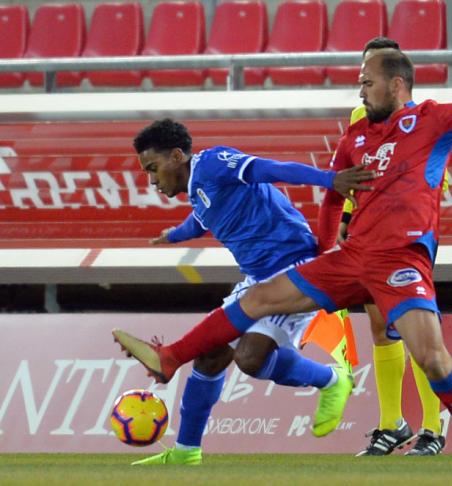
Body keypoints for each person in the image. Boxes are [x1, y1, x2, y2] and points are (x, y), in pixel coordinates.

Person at [113, 16, 452, 466]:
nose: (359, 89)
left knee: (430, 357)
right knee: (259, 297)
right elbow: (330, 200)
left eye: (366, 81)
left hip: (399, 259)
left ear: (396, 84)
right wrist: (323, 248)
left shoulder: (433, 119)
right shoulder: (356, 136)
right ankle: (172, 358)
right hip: (349, 257)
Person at [123, 119, 374, 465]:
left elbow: (271, 169)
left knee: (251, 359)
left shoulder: (213, 164)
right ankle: (186, 453)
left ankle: (332, 379)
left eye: (153, 169)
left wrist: (331, 180)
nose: (152, 180)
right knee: (209, 357)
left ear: (177, 156)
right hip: (256, 278)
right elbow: (199, 221)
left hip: (293, 268)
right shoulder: (200, 193)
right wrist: (174, 236)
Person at [335, 37, 448, 457]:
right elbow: (354, 178)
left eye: (372, 72)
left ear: (394, 78)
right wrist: (347, 221)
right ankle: (391, 424)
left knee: (414, 325)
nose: (365, 81)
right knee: (381, 325)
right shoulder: (359, 116)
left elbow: (432, 180)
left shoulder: (426, 119)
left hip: (408, 234)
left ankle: (434, 427)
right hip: (367, 233)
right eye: (363, 72)